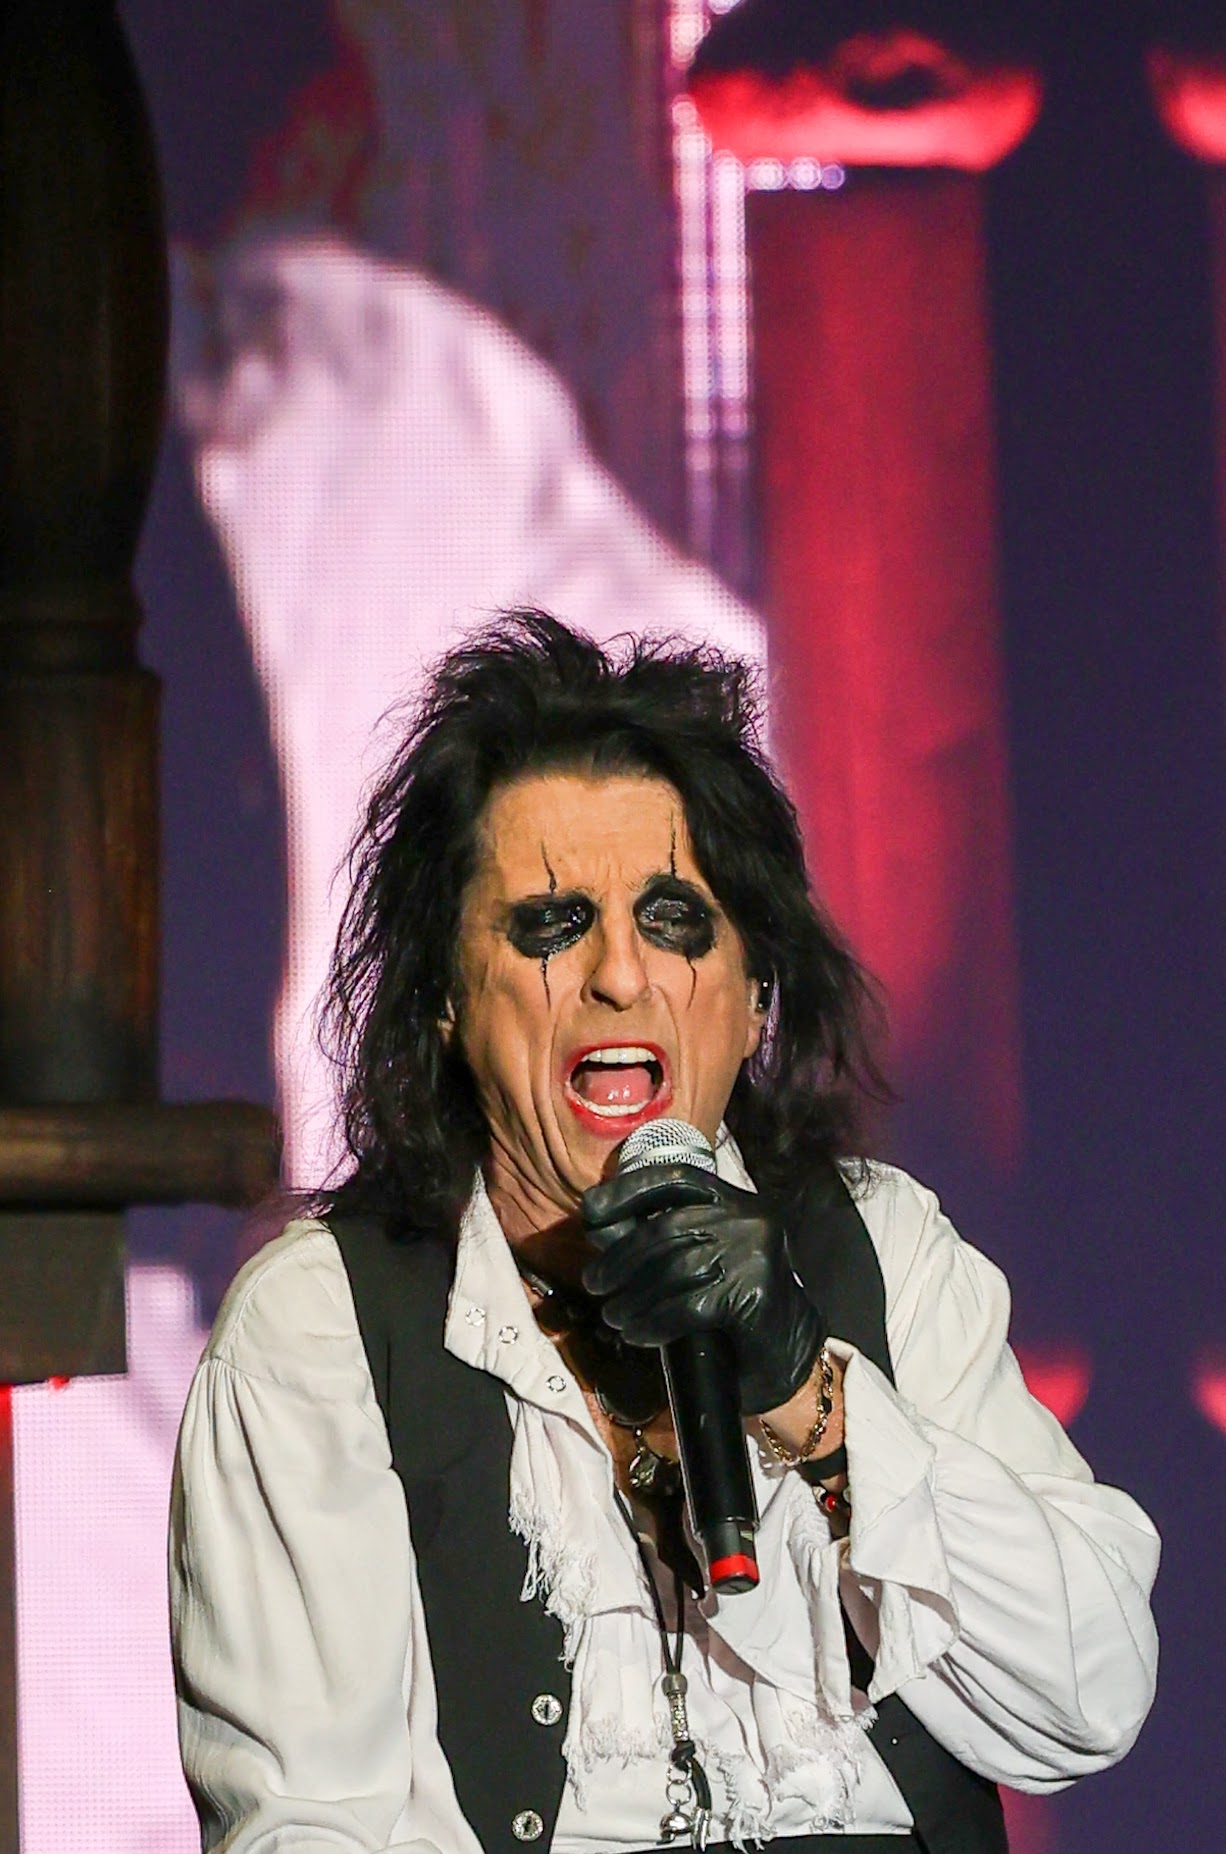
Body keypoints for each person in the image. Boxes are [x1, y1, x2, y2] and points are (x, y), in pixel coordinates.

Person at [169, 610, 1159, 1854]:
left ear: (753, 1000)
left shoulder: (884, 1249)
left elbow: (1087, 1704)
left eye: (675, 919)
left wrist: (812, 1399)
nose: (622, 976)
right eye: (551, 922)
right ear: (445, 998)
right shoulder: (322, 1327)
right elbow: (312, 1826)